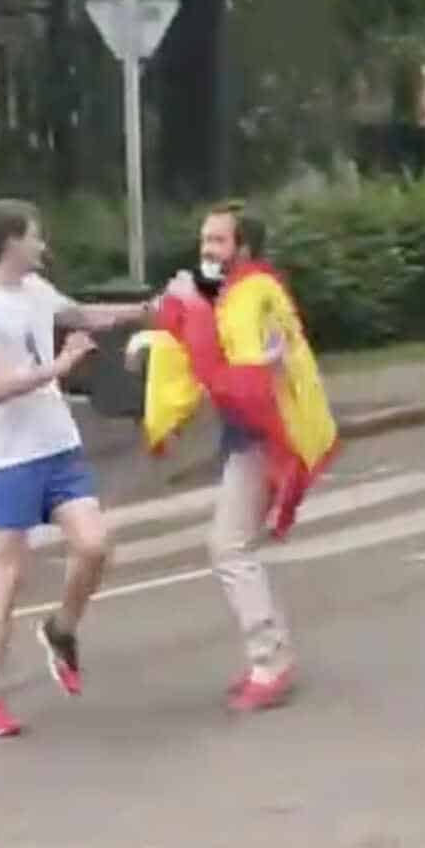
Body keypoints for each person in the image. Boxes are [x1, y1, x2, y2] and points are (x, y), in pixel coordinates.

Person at [0, 199, 152, 738]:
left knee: (94, 546)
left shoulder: (36, 292)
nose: (43, 245)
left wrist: (150, 309)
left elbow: (84, 314)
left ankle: (61, 629)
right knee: (9, 574)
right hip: (10, 457)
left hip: (57, 446)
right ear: (9, 242)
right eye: (35, 236)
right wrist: (60, 368)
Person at [153, 203, 337, 713]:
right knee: (232, 546)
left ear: (244, 249)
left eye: (218, 241)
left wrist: (189, 309)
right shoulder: (251, 291)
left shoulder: (249, 295)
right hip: (264, 434)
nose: (206, 250)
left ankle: (270, 660)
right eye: (204, 240)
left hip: (263, 436)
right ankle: (271, 654)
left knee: (229, 547)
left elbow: (239, 379)